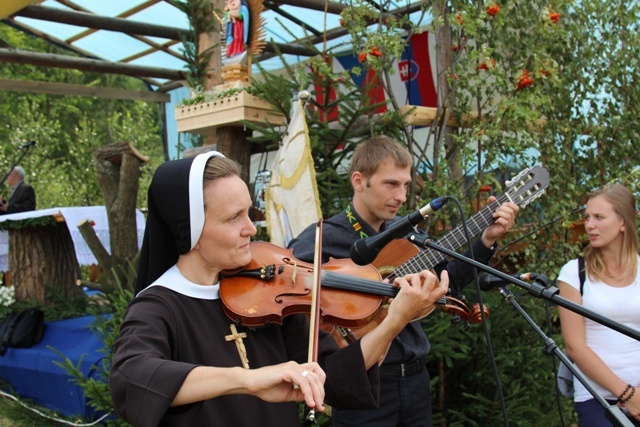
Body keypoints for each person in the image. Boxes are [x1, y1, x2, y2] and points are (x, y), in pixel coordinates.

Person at [109, 151, 449, 427]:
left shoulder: (268, 289)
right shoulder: (158, 305)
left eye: (249, 214)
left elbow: (334, 376)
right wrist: (248, 380)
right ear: (190, 228)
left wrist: (394, 321)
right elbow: (131, 378)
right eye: (233, 218)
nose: (249, 229)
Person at [288, 135, 520, 427]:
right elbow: (291, 290)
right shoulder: (324, 236)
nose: (401, 196)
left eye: (406, 185)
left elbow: (449, 283)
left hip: (415, 381)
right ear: (359, 181)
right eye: (391, 184)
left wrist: (486, 239)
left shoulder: (407, 237)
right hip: (364, 385)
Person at [557, 184, 640, 426]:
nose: (589, 225)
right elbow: (574, 346)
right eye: (587, 217)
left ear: (623, 222)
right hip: (597, 400)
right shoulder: (574, 273)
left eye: (599, 217)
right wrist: (628, 395)